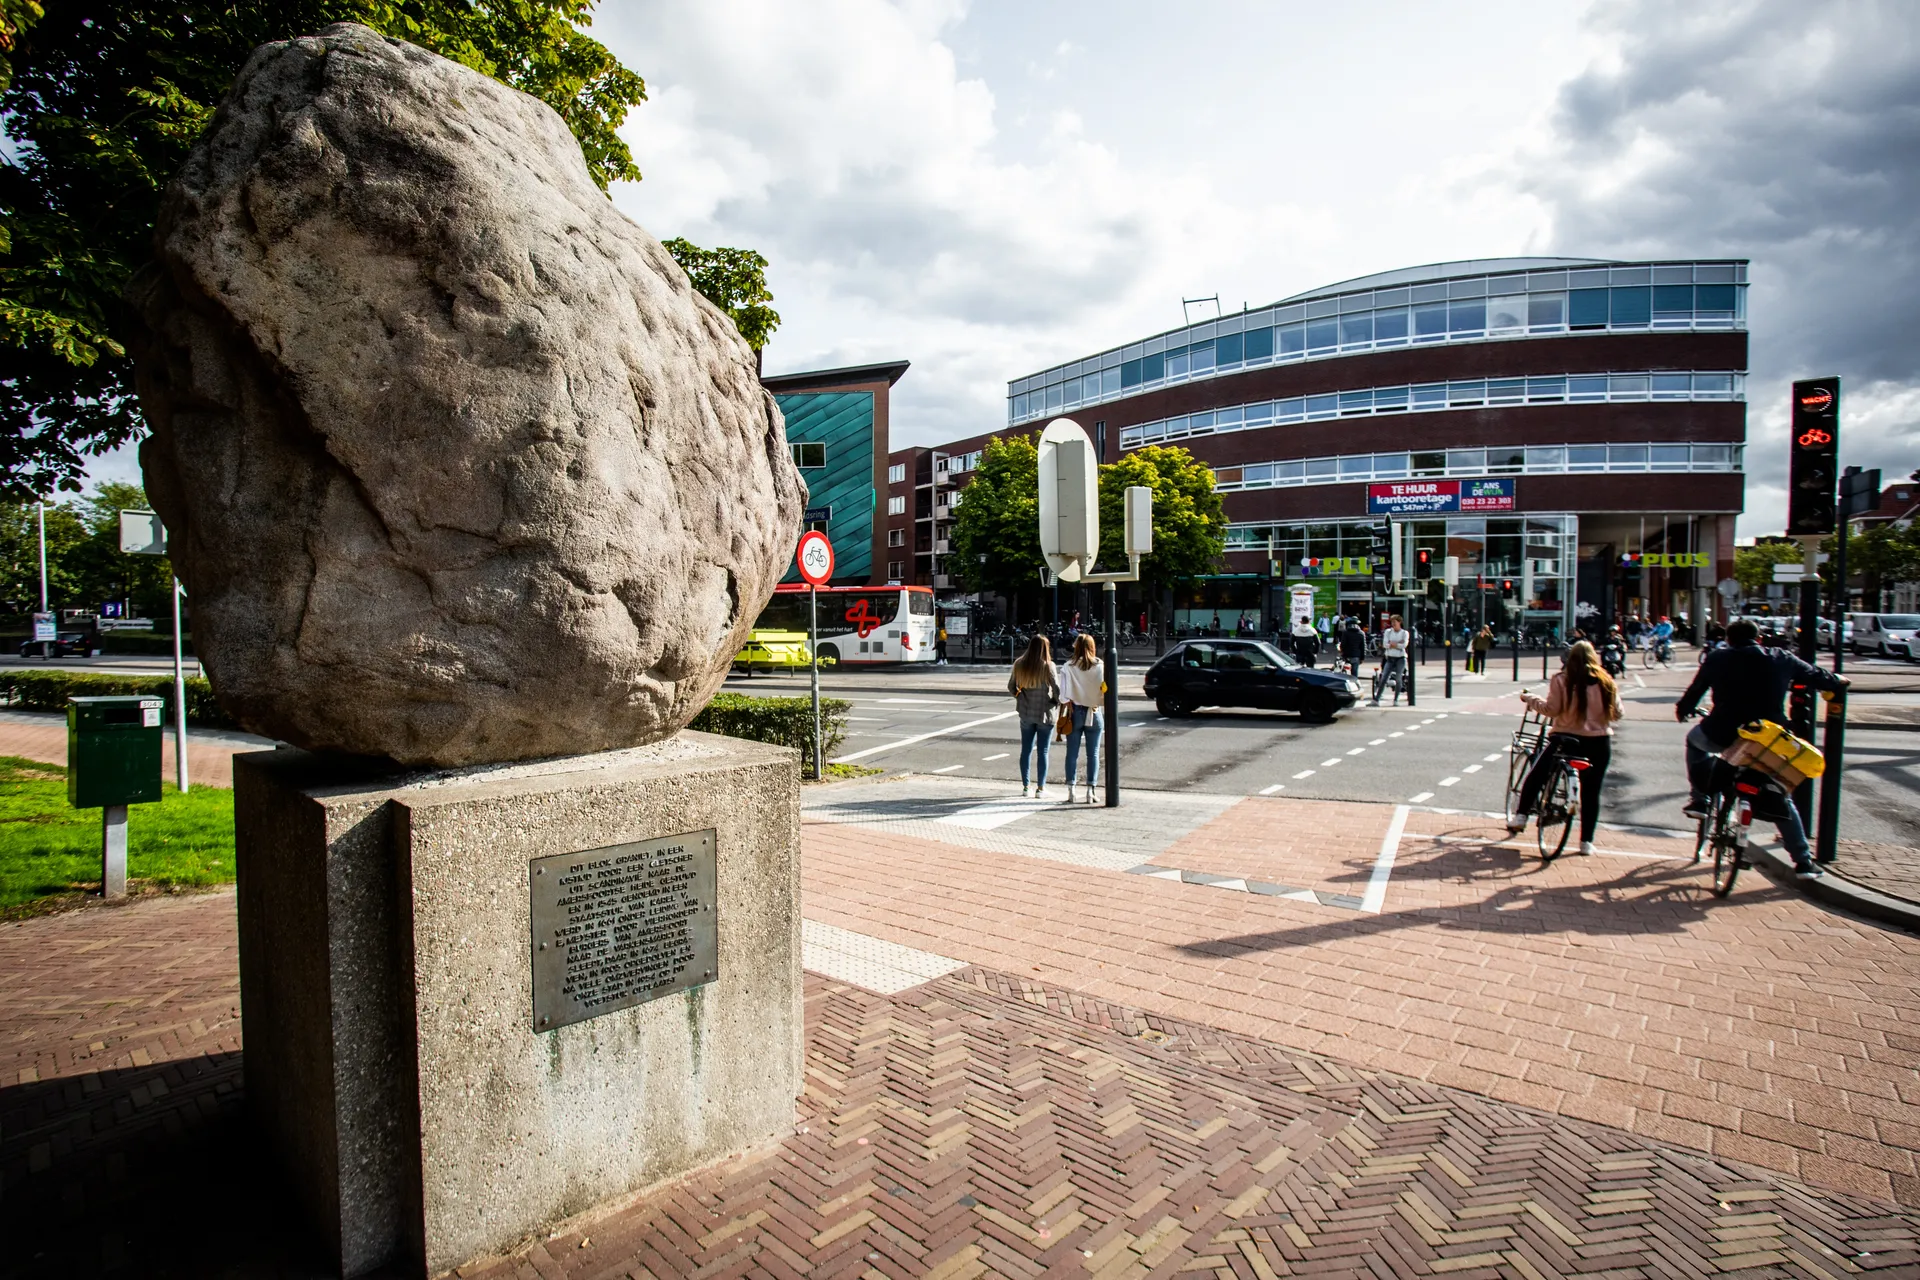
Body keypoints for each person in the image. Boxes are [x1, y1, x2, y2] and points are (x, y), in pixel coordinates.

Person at [1675, 618, 1847, 878]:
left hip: (1723, 732)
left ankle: (1700, 799)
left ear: (1729, 640)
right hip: (1766, 739)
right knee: (1779, 795)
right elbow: (1815, 675)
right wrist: (1836, 681)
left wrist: (1684, 709)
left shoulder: (1718, 658)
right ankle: (1803, 862)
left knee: (1694, 741)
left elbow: (1697, 689)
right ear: (1758, 638)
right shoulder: (1780, 657)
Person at [1509, 640, 1621, 854]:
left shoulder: (1562, 680)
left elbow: (1551, 709)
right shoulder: (1607, 682)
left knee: (1537, 775)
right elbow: (1618, 712)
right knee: (1592, 791)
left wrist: (1530, 699)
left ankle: (1521, 816)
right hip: (1599, 742)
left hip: (1566, 740)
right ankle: (1586, 842)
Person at [1008, 635, 1059, 798]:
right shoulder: (1048, 666)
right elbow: (1057, 689)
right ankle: (1041, 788)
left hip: (1026, 712)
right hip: (1044, 712)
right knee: (1043, 751)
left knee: (1026, 750)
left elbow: (1011, 686)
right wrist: (1054, 702)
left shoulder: (1019, 664)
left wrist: (1020, 696)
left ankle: (1025, 786)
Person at [1058, 633, 1105, 803]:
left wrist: (1070, 701)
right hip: (1094, 711)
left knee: (1072, 753)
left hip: (1074, 711)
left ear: (1076, 647)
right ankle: (1090, 791)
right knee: (1093, 753)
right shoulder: (1100, 665)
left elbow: (1063, 696)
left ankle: (1071, 790)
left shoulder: (1068, 666)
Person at [1374, 614, 1409, 703]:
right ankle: (1377, 699)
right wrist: (1397, 644)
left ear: (1399, 622)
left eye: (1395, 622)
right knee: (1384, 677)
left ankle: (1396, 699)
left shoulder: (1404, 633)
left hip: (1400, 658)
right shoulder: (1388, 632)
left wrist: (1392, 644)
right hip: (1390, 658)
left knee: (1398, 678)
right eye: (1392, 622)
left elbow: (1404, 645)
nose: (1393, 624)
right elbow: (1385, 644)